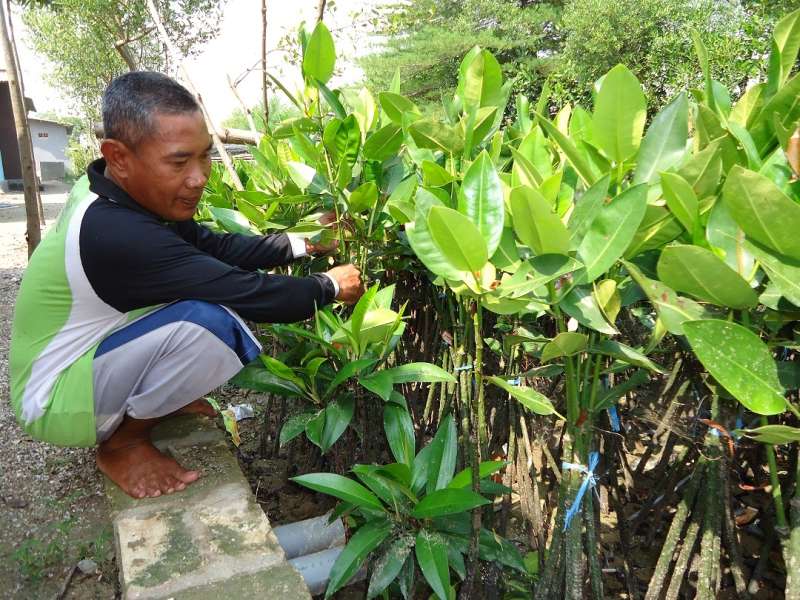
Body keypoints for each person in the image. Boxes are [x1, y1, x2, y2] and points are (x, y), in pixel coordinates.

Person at [9, 71, 364, 500]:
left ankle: (143, 409)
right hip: (50, 398)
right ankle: (122, 443)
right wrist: (328, 287)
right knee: (215, 323)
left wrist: (304, 245)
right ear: (118, 157)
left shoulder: (108, 189)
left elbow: (212, 245)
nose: (199, 177)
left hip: (84, 358)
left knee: (196, 300)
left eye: (205, 157)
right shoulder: (118, 234)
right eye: (179, 162)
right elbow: (247, 292)